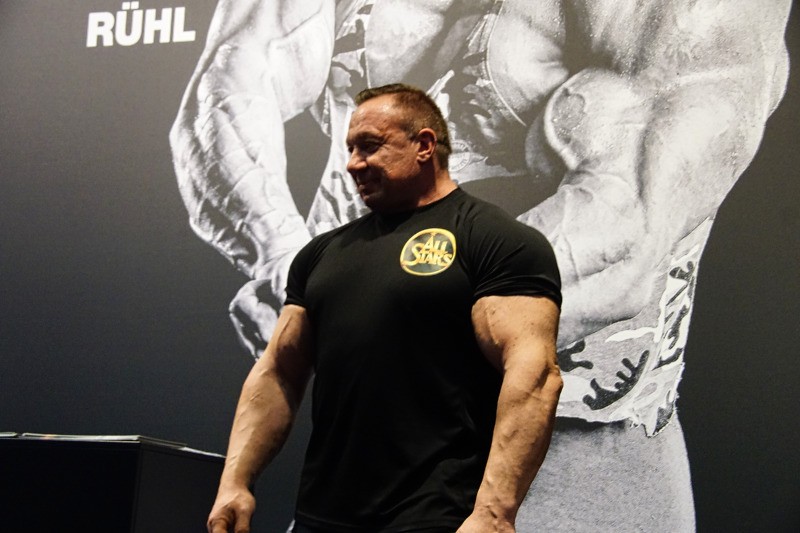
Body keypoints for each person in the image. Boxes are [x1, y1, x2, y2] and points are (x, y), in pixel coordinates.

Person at [171, 1, 791, 530]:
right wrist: (285, 259)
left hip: (567, 469)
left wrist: (369, 310)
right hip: (366, 449)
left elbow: (625, 229)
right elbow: (226, 88)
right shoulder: (331, 265)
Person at [206, 84, 564, 533]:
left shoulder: (495, 240)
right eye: (350, 149)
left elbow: (535, 375)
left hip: (435, 516)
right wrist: (234, 482)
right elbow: (279, 371)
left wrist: (494, 513)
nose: (353, 163)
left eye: (370, 146)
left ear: (424, 145)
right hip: (323, 516)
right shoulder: (322, 255)